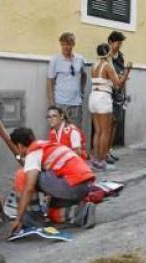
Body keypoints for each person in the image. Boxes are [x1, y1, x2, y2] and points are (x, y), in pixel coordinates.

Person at [9, 127, 96, 234]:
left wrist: (19, 218)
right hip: (84, 186)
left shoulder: (33, 152)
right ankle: (83, 212)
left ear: (20, 146)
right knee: (51, 211)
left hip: (72, 184)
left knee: (21, 175)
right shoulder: (46, 145)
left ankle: (32, 219)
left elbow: (29, 187)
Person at [89, 43, 131, 171]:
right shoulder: (107, 66)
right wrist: (127, 70)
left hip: (93, 97)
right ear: (108, 53)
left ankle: (96, 160)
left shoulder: (94, 65)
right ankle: (102, 161)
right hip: (103, 98)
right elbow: (118, 85)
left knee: (97, 131)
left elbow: (104, 79)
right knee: (105, 132)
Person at [47, 32, 87, 128]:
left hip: (76, 103)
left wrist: (81, 91)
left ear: (73, 44)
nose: (66, 47)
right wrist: (52, 103)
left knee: (75, 132)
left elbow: (84, 75)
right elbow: (49, 82)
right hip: (60, 103)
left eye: (68, 44)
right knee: (59, 132)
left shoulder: (80, 59)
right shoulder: (55, 60)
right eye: (63, 44)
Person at [107, 31, 130, 163]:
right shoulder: (107, 56)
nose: (119, 45)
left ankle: (109, 150)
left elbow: (122, 73)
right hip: (109, 92)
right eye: (118, 42)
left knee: (115, 122)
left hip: (119, 93)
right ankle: (104, 153)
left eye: (121, 43)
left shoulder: (120, 56)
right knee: (108, 124)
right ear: (110, 41)